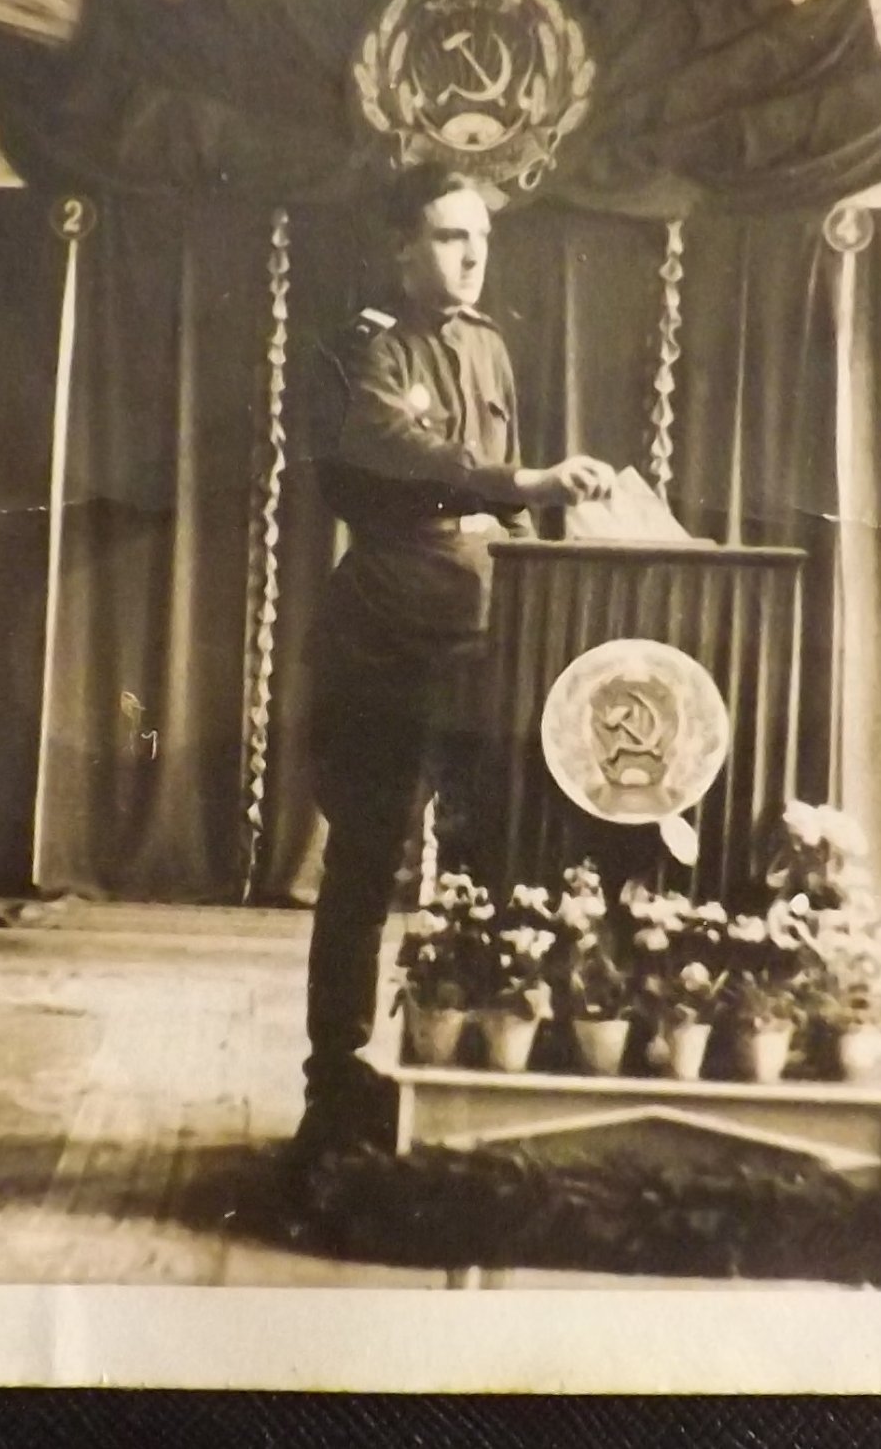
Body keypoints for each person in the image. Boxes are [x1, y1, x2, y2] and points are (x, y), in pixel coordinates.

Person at [292, 163, 614, 1159]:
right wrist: (524, 482)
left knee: (495, 857)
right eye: (447, 236)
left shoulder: (487, 346)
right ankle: (336, 1077)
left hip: (487, 631)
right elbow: (405, 455)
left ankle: (481, 1065)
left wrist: (548, 541)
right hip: (387, 625)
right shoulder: (363, 346)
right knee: (366, 857)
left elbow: (503, 507)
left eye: (480, 237)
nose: (471, 256)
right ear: (401, 248)